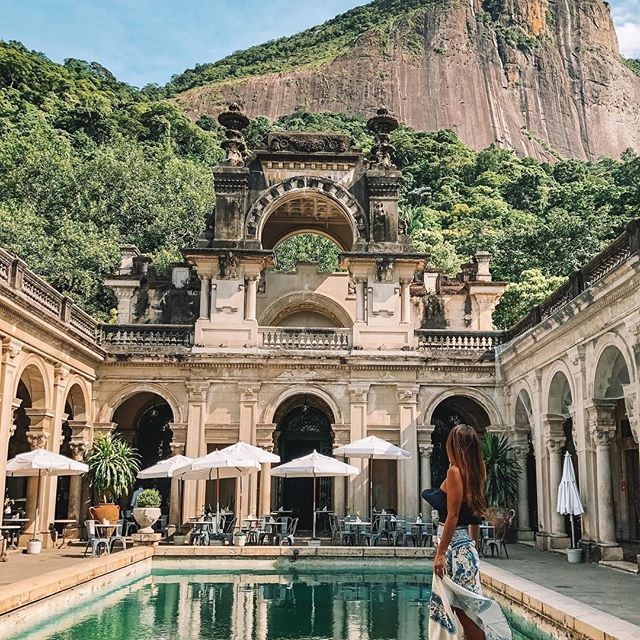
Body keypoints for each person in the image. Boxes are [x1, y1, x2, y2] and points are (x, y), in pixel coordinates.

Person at [422, 424, 511, 640]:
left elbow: (452, 516)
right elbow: (475, 515)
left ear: (454, 445)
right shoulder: (478, 469)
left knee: (462, 610)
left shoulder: (454, 472)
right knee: (465, 609)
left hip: (454, 549)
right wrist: (473, 546)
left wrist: (441, 553)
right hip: (464, 548)